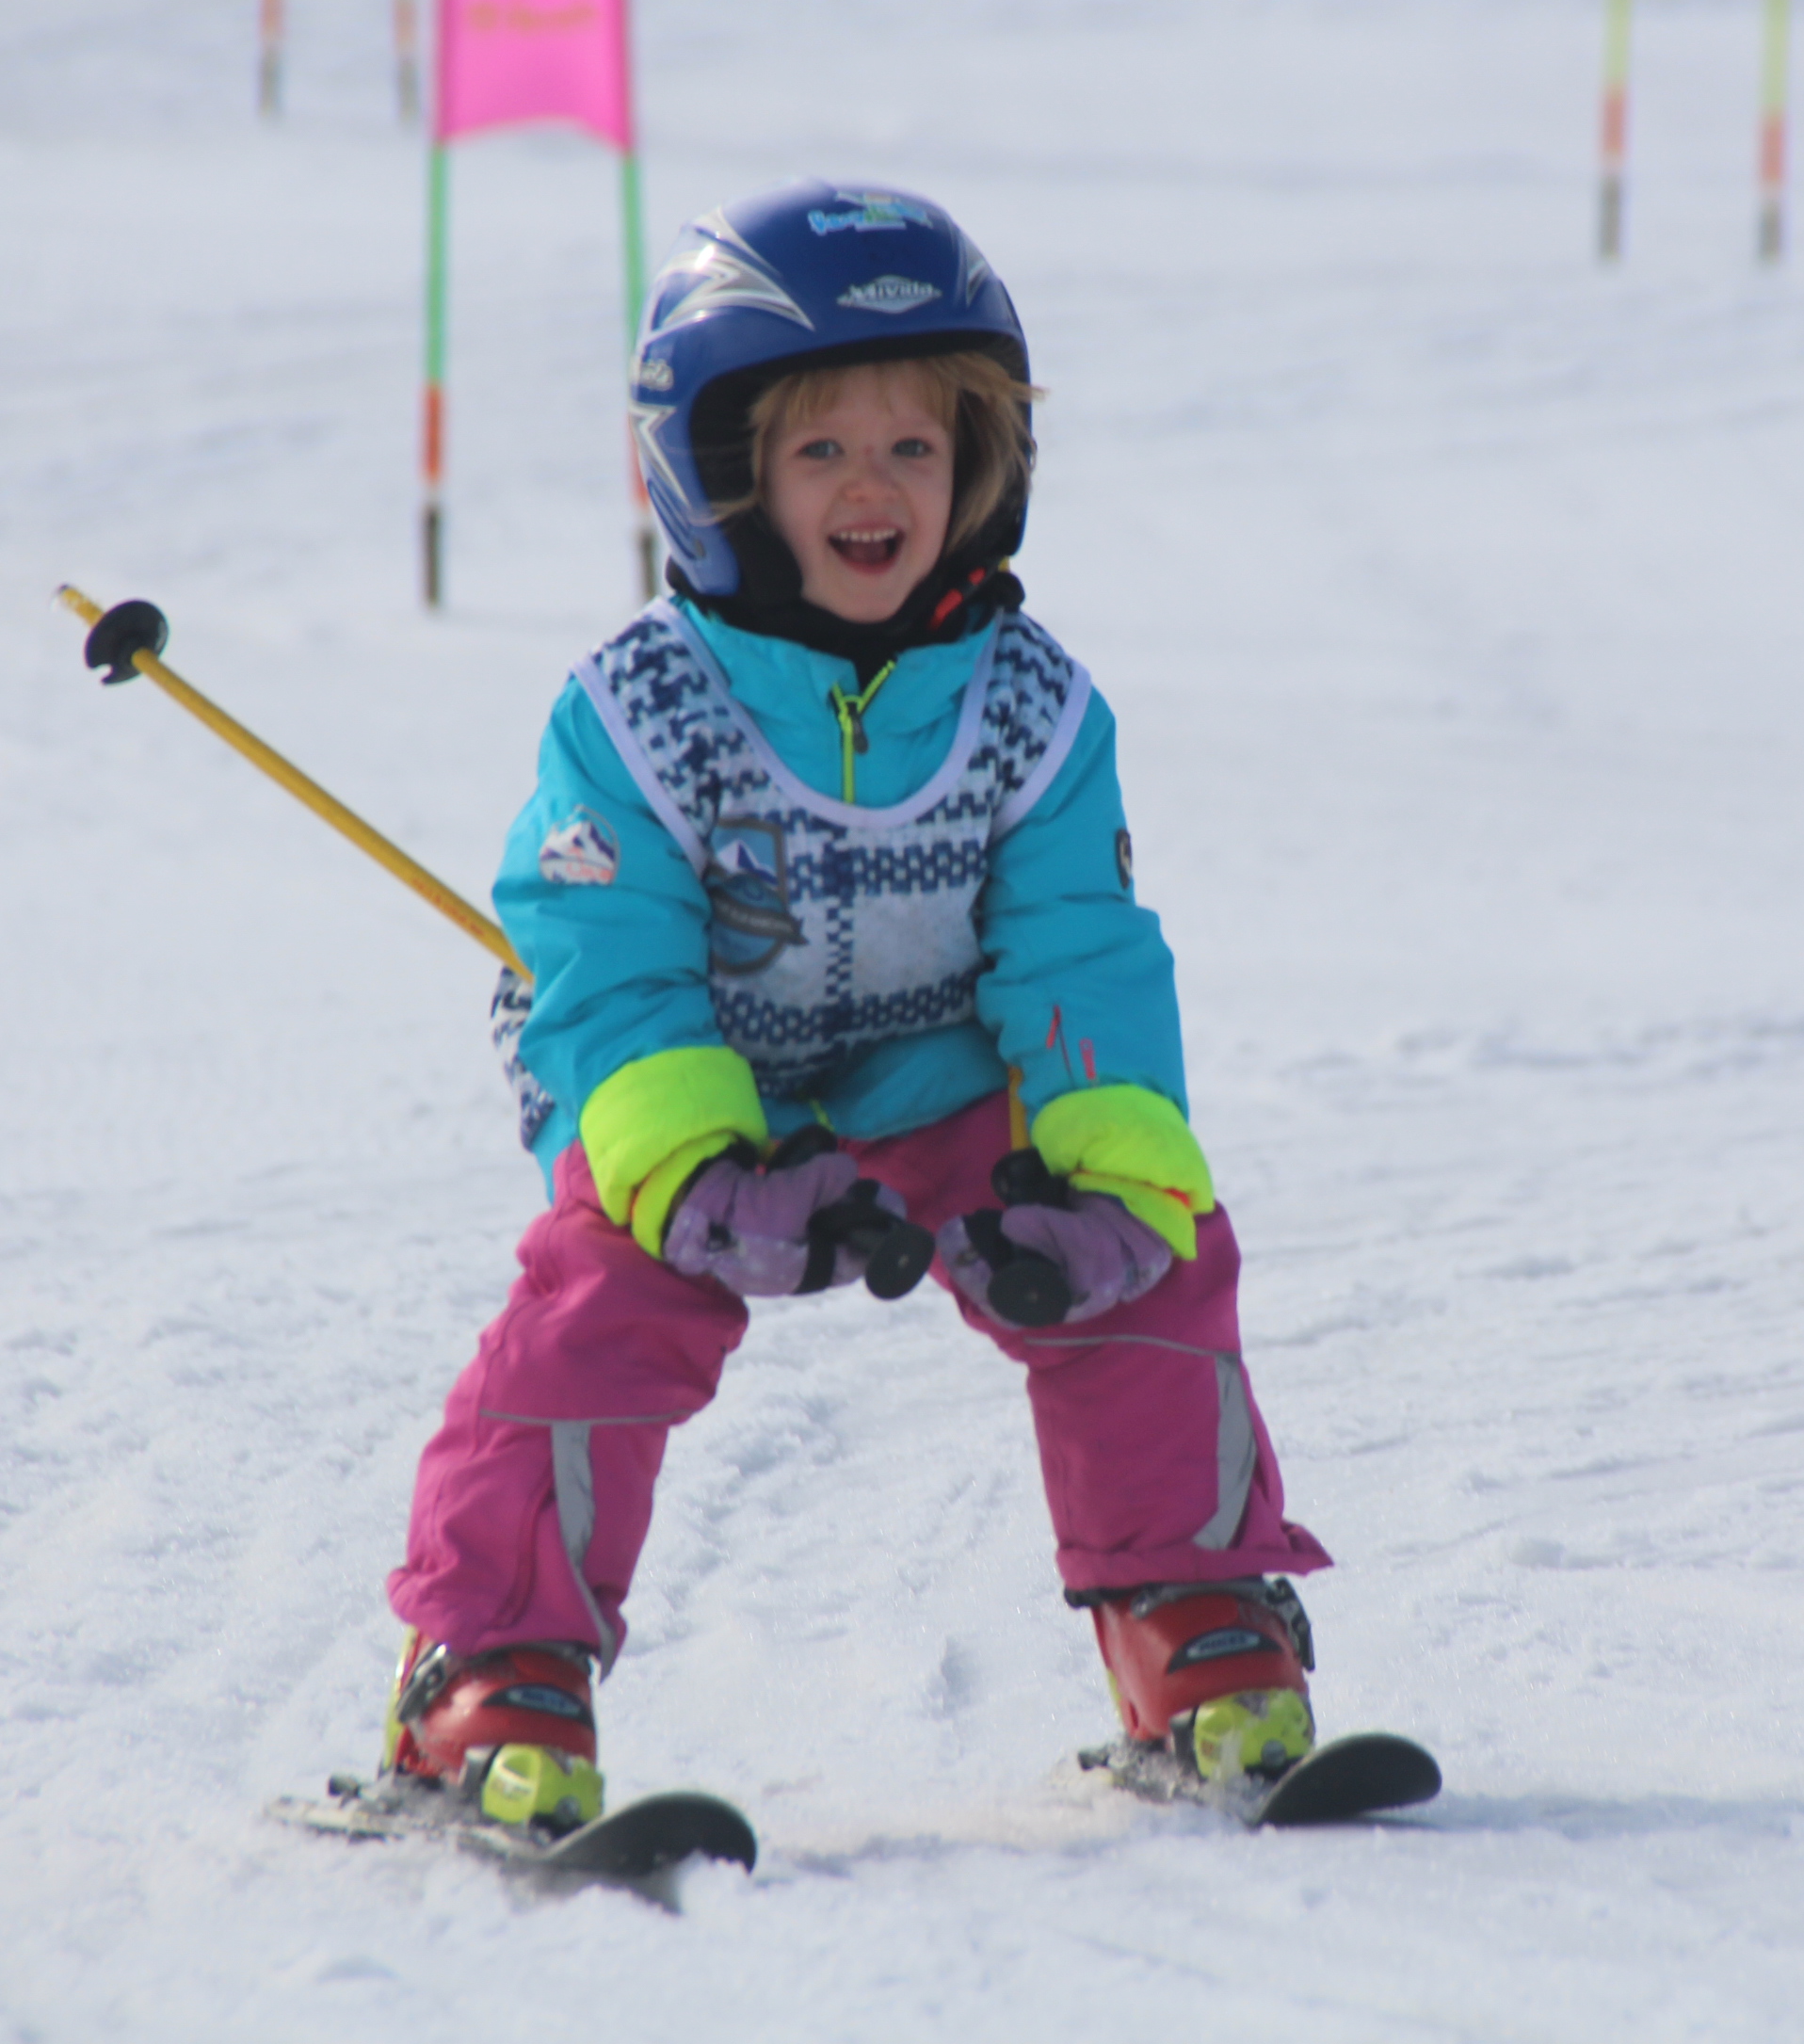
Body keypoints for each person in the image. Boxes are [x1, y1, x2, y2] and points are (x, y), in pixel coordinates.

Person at [376, 181, 1332, 1832]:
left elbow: (1079, 949)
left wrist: (1115, 1169)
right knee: (604, 1305)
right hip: (695, 1090)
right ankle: (492, 1662)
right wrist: (693, 1167)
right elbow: (607, 960)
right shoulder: (639, 715)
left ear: (983, 470)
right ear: (723, 477)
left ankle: (1192, 1615)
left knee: (1152, 1263)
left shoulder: (1033, 711)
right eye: (819, 450)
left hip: (936, 1077)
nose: (873, 487)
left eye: (913, 446)